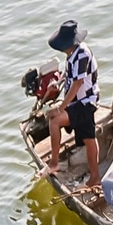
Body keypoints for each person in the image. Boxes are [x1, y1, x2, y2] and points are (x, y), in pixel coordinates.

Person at [43, 19, 102, 193]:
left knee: (56, 121)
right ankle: (93, 176)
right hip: (77, 102)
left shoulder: (82, 54)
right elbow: (69, 75)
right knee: (89, 139)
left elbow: (77, 84)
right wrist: (58, 81)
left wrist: (60, 108)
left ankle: (92, 177)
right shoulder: (72, 54)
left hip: (85, 102)